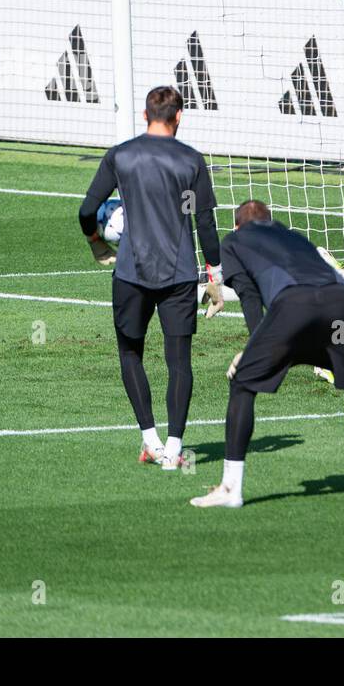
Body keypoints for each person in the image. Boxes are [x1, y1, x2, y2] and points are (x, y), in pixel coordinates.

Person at [189, 200, 344, 508]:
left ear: (237, 226)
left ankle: (230, 489)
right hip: (339, 303)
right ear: (270, 220)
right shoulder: (292, 235)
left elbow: (249, 297)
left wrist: (251, 349)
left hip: (295, 306)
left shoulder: (234, 241)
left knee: (242, 383)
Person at [78, 85, 225, 470]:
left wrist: (97, 243)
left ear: (145, 116)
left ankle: (150, 439)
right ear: (179, 118)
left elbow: (86, 209)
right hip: (178, 275)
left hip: (131, 274)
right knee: (180, 362)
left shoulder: (121, 156)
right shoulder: (191, 160)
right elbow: (204, 220)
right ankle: (175, 450)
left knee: (131, 353)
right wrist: (215, 275)